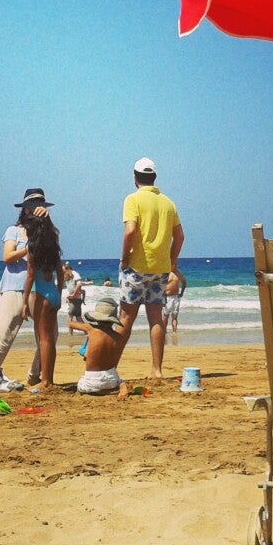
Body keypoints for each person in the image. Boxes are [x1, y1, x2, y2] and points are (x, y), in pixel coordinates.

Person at [0, 189, 53, 396]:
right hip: (14, 288)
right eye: (35, 205)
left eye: (42, 206)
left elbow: (54, 252)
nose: (39, 209)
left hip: (39, 290)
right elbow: (7, 257)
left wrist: (46, 225)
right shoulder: (14, 231)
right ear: (25, 209)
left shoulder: (47, 231)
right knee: (2, 335)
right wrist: (28, 249)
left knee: (48, 336)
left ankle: (34, 376)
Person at [118, 157, 184, 381]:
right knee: (156, 318)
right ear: (154, 178)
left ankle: (111, 366)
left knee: (125, 318)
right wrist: (172, 261)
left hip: (137, 266)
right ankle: (157, 370)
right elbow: (180, 236)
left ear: (135, 178)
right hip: (161, 268)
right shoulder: (168, 202)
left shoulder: (132, 199)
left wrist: (124, 258)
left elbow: (130, 231)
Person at [22, 212, 65, 390]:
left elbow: (31, 276)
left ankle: (45, 381)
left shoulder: (32, 248)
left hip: (41, 295)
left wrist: (24, 302)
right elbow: (61, 273)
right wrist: (59, 292)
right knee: (49, 339)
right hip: (53, 293)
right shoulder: (53, 247)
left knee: (44, 340)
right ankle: (49, 378)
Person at [68, 297, 132, 396]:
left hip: (91, 380)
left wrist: (71, 311)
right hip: (111, 379)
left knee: (81, 387)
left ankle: (90, 392)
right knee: (118, 381)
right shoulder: (117, 336)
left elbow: (70, 324)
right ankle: (116, 387)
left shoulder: (90, 329)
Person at [64, 262, 85, 333]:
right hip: (74, 299)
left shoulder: (75, 274)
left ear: (68, 269)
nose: (63, 272)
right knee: (78, 318)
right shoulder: (68, 275)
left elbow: (79, 285)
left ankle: (70, 335)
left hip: (75, 299)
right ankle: (87, 331)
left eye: (64, 270)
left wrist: (73, 295)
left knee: (70, 318)